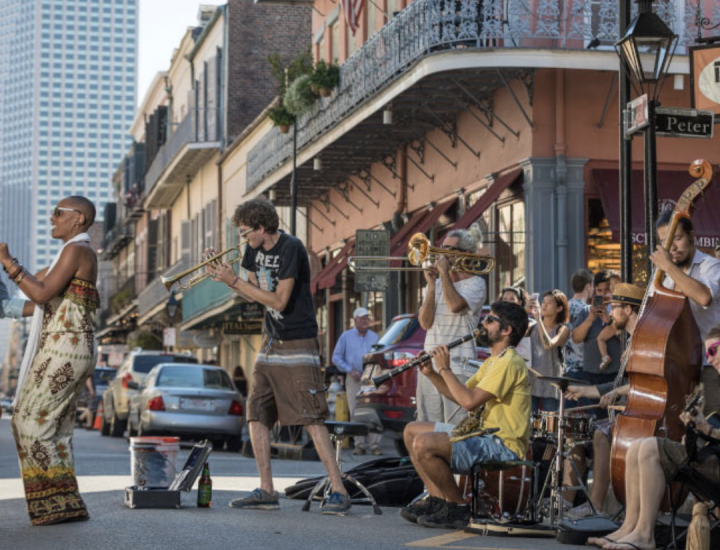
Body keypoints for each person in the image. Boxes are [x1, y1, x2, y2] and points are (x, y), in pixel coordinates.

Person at [206, 198, 351, 515]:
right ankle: (266, 489)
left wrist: (235, 281)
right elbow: (256, 295)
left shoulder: (291, 248)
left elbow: (280, 301)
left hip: (299, 339)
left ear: (261, 227)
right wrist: (227, 277)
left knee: (311, 416)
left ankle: (339, 490)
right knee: (256, 412)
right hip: (271, 341)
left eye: (245, 233)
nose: (243, 239)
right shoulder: (253, 250)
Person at [0, 196, 99, 526]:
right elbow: (34, 297)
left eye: (59, 213)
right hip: (67, 346)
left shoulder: (77, 251)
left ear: (79, 219)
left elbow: (40, 294)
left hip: (66, 348)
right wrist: (7, 303)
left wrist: (8, 261)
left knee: (31, 420)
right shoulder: (67, 254)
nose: (51, 218)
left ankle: (54, 501)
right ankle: (62, 501)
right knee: (52, 424)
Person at [587, 325, 720, 550]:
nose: (711, 359)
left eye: (716, 350)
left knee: (649, 447)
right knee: (637, 446)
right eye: (708, 353)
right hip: (711, 457)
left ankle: (645, 535)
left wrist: (707, 430)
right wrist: (696, 428)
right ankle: (629, 528)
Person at [400, 301, 530, 529]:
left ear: (506, 330)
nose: (483, 324)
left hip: (502, 444)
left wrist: (445, 368)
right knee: (412, 430)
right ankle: (437, 500)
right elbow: (459, 395)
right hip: (484, 436)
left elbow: (469, 403)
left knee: (424, 443)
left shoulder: (509, 362)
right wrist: (431, 373)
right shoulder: (492, 361)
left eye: (490, 320)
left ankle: (457, 507)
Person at [564, 283, 643, 518]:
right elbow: (621, 384)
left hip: (648, 414)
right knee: (591, 433)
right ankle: (589, 504)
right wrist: (584, 392)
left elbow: (652, 382)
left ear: (628, 309)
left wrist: (619, 392)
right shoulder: (630, 340)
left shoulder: (643, 340)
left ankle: (596, 505)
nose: (609, 313)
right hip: (634, 408)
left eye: (614, 307)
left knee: (601, 431)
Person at [417, 223, 487, 425]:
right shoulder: (438, 283)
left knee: (456, 427)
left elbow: (455, 305)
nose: (442, 254)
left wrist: (444, 275)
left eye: (449, 250)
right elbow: (424, 323)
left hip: (459, 366)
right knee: (427, 427)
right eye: (442, 248)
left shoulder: (476, 283)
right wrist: (431, 287)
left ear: (465, 253)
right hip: (429, 365)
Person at [653, 209, 720, 414]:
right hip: (680, 368)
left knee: (710, 424)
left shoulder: (711, 266)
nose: (672, 247)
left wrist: (668, 267)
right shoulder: (664, 279)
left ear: (692, 236)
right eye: (665, 241)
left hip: (711, 364)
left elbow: (704, 297)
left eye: (678, 238)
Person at [332, 306, 381, 455]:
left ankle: (375, 445)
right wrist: (349, 370)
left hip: (371, 377)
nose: (366, 321)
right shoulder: (346, 337)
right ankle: (360, 445)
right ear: (355, 320)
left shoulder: (375, 337)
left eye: (367, 318)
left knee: (373, 410)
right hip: (353, 378)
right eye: (362, 318)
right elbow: (336, 357)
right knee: (355, 411)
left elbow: (379, 355)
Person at [571, 270, 622, 410]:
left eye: (607, 290)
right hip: (591, 374)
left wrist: (609, 321)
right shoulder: (586, 311)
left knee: (612, 417)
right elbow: (576, 338)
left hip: (614, 374)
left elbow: (627, 338)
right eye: (599, 290)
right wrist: (590, 319)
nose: (603, 294)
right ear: (593, 291)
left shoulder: (619, 311)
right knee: (592, 417)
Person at [528, 289, 571, 412]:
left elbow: (548, 345)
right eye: (543, 302)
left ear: (559, 308)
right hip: (531, 382)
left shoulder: (563, 329)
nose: (544, 305)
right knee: (531, 424)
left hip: (552, 384)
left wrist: (539, 320)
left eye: (549, 303)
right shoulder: (531, 327)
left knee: (550, 426)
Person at [565, 269, 593, 379]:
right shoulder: (586, 310)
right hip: (582, 365)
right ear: (588, 286)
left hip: (567, 364)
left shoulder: (566, 305)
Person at [499, 286, 533, 365]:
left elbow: (518, 332)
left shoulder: (528, 322)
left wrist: (524, 312)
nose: (508, 302)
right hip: (502, 363)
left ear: (520, 302)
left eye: (512, 299)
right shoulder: (497, 319)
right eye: (505, 299)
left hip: (521, 365)